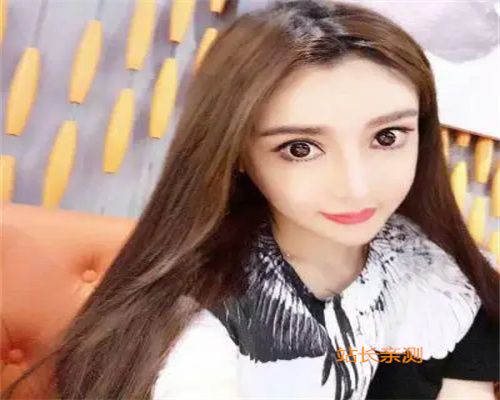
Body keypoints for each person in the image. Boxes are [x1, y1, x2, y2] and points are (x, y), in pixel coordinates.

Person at [3, 0, 499, 399]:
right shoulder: (202, 318)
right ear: (238, 153)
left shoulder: (445, 276)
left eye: (387, 137)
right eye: (300, 148)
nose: (357, 185)